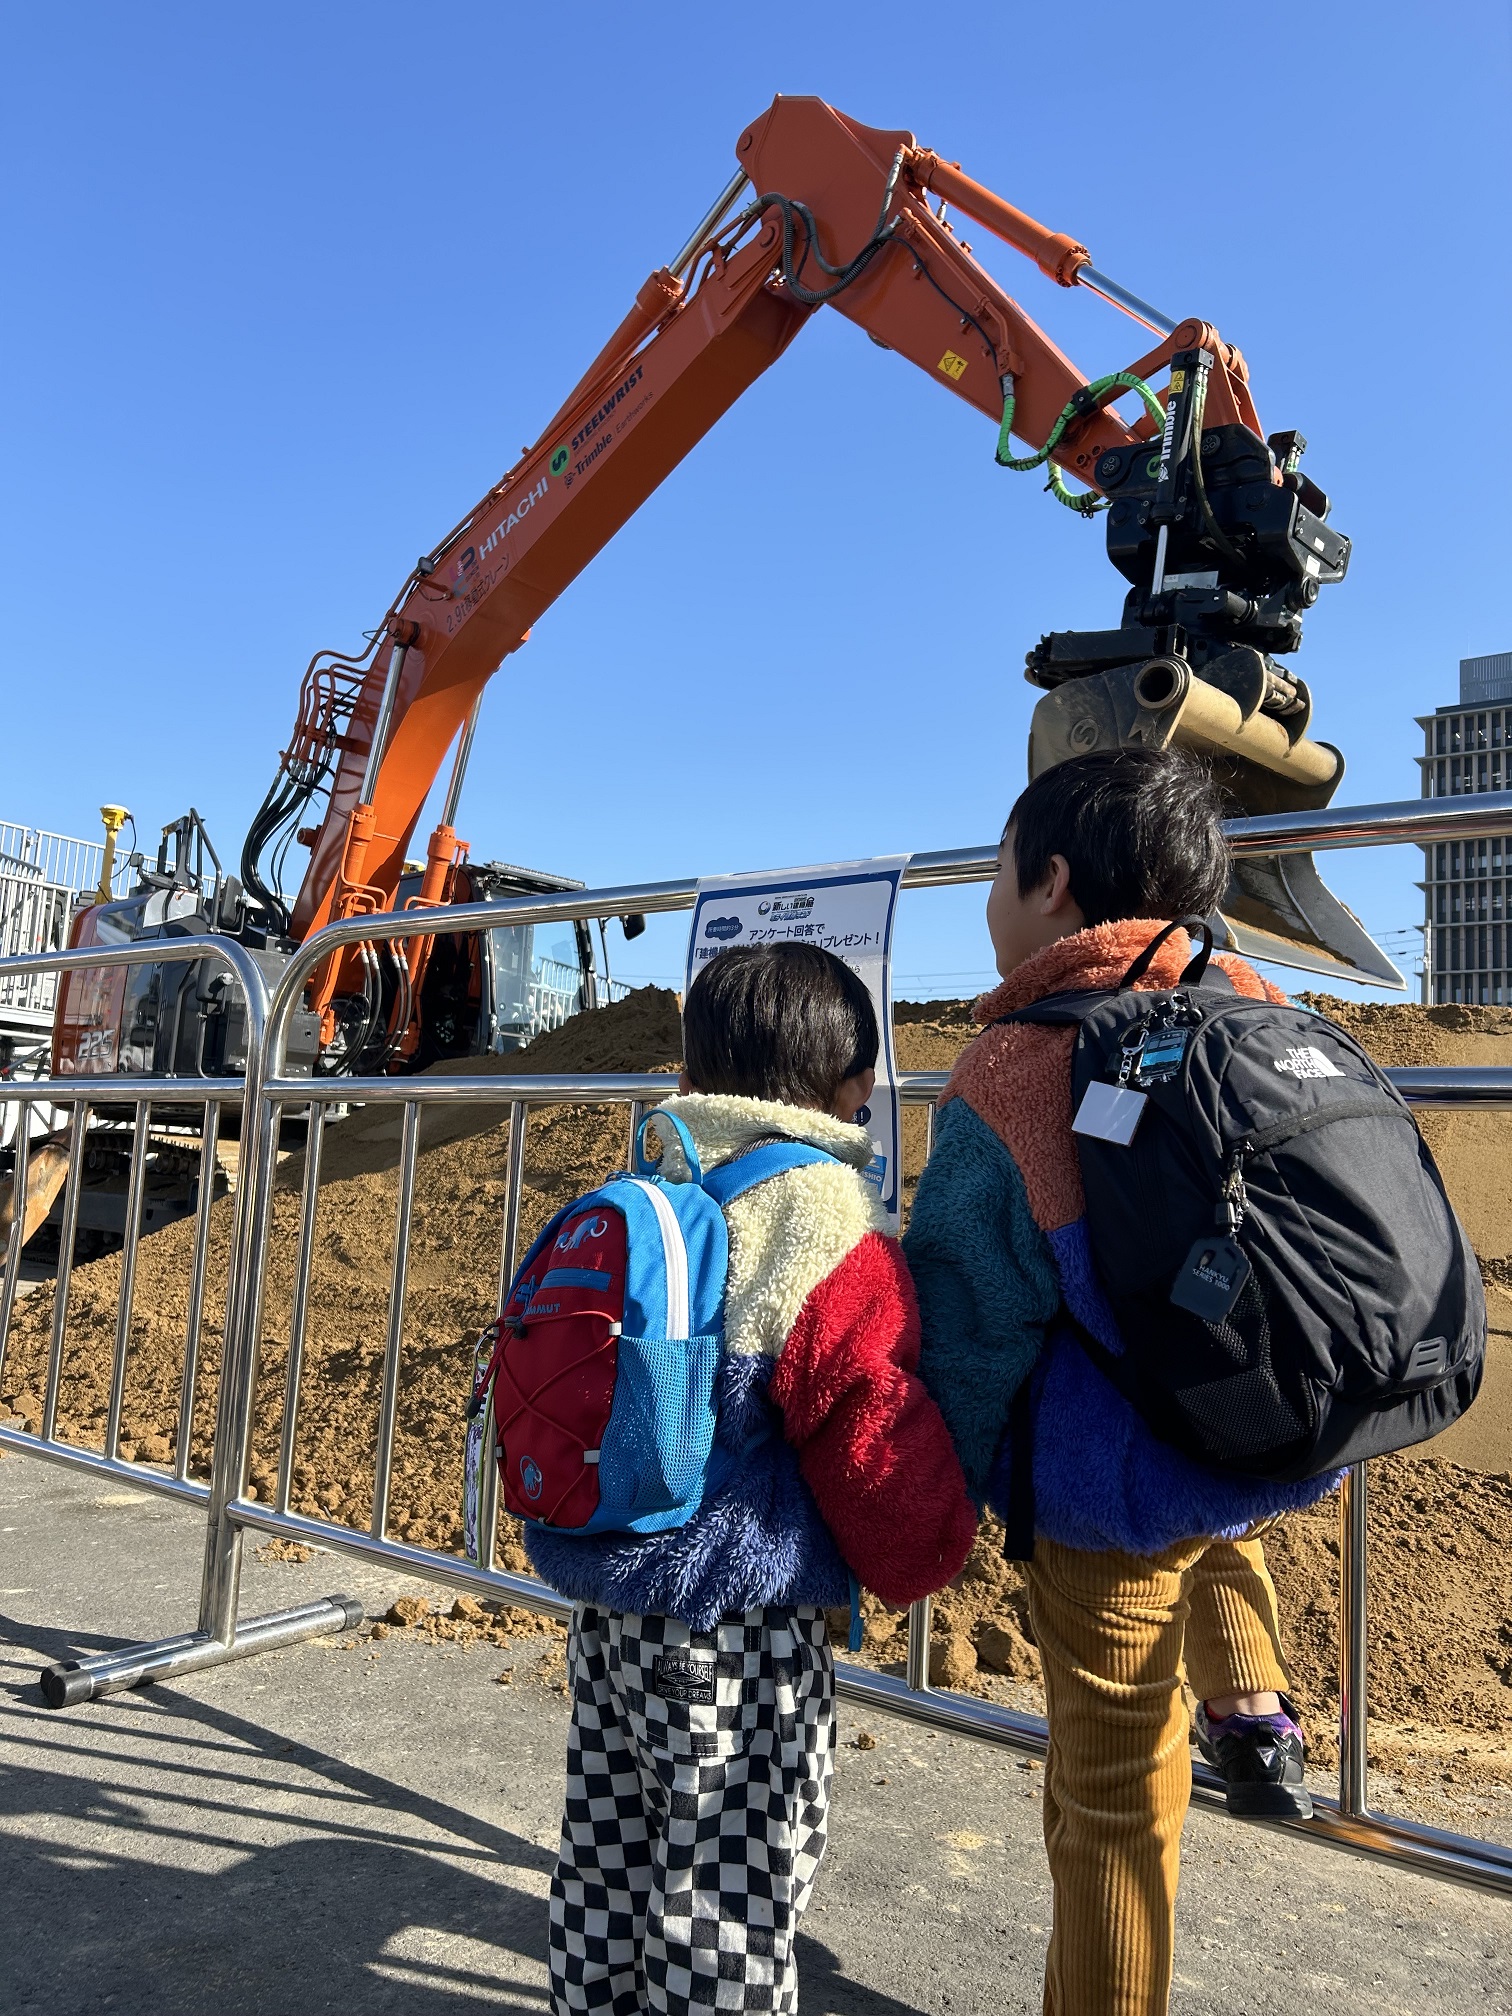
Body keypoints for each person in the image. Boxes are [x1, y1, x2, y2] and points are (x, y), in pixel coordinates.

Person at [903, 747, 1332, 2016]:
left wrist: (954, 1497)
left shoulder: (1016, 1063)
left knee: (1110, 1801)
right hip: (1265, 1433)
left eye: (994, 870)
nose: (985, 900)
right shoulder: (1274, 1010)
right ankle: (1255, 1707)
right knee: (1219, 1524)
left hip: (1111, 1498)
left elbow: (971, 1324)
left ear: (1048, 881)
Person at [532, 939, 977, 2016]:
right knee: (731, 1886)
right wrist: (932, 1546)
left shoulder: (663, 1175)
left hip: (616, 1605)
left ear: (693, 1077)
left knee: (607, 1851)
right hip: (743, 1626)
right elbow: (865, 1414)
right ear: (854, 1086)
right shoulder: (826, 1220)